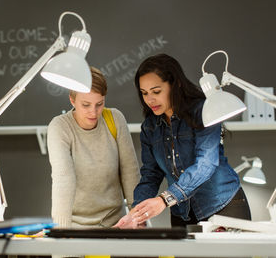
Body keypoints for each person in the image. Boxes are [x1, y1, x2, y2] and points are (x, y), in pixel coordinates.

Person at [115, 54, 251, 228]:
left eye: (156, 91)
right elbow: (151, 175)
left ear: (176, 84)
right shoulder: (150, 127)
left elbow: (206, 164)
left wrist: (165, 199)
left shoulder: (203, 111)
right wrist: (136, 214)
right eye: (144, 93)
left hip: (222, 206)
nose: (149, 100)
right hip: (183, 214)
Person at [47, 66, 140, 228]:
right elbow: (63, 180)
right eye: (86, 105)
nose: (94, 112)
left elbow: (130, 173)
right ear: (72, 100)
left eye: (99, 104)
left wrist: (138, 219)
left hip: (115, 224)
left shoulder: (115, 119)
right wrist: (60, 235)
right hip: (76, 227)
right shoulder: (60, 126)